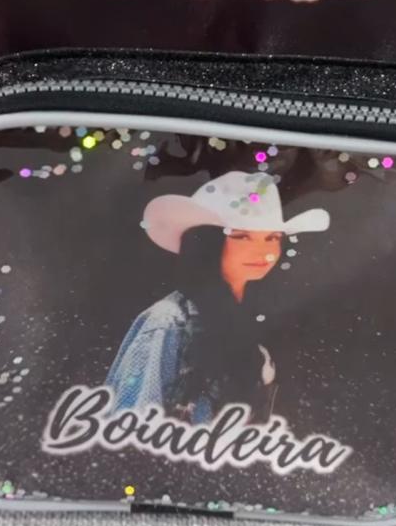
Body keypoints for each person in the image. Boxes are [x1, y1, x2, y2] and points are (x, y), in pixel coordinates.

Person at [105, 170, 329, 423]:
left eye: (272, 237)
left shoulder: (247, 317)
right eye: (242, 236)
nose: (264, 251)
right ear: (207, 241)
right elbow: (129, 427)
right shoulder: (169, 320)